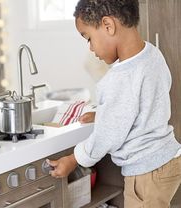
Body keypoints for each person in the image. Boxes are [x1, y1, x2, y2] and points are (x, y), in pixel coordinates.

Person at [46, 0, 181, 207]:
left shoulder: (118, 79)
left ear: (108, 25)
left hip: (146, 173)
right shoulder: (152, 54)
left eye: (89, 38)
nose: (90, 48)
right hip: (168, 158)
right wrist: (103, 113)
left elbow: (106, 136)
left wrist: (73, 160)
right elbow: (141, 104)